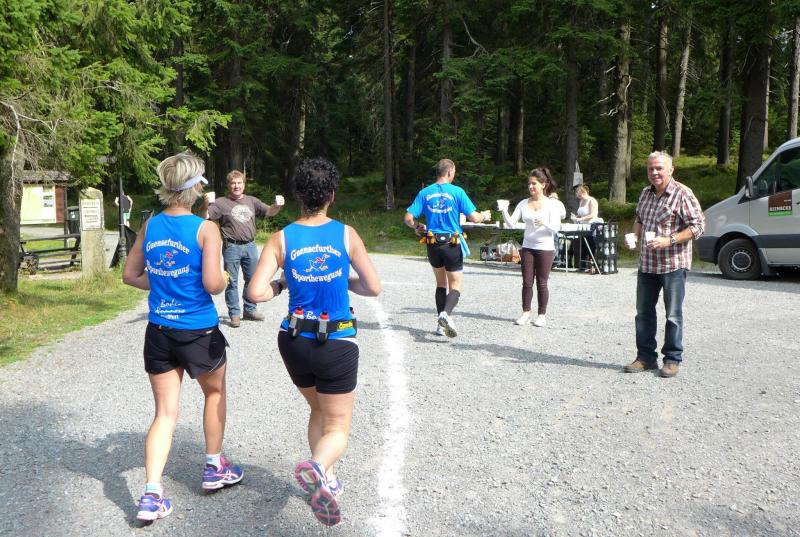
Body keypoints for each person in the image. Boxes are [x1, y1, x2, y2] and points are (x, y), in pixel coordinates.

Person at [248, 157, 381, 527]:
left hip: (293, 340)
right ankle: (319, 466)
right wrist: (344, 281)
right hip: (335, 341)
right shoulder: (346, 234)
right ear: (331, 195)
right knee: (337, 426)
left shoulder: (281, 238)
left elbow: (255, 293)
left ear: (298, 196)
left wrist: (282, 284)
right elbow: (373, 286)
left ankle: (328, 479)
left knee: (318, 409)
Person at [122, 152, 243, 522]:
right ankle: (214, 467)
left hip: (159, 331)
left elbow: (130, 275)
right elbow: (213, 284)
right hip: (198, 331)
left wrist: (164, 283)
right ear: (195, 188)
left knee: (164, 413)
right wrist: (225, 277)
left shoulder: (151, 226)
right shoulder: (205, 229)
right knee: (214, 393)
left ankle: (151, 494)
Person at [624, 151, 704, 378]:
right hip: (647, 264)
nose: (655, 173)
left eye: (659, 168)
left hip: (673, 264)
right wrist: (634, 235)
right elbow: (639, 219)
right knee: (643, 313)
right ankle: (646, 357)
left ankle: (672, 359)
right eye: (651, 169)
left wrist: (669, 240)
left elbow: (698, 226)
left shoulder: (683, 193)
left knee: (673, 315)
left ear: (671, 170)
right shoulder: (645, 193)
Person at [404, 159, 491, 337]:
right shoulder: (457, 192)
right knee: (455, 285)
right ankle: (445, 314)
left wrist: (418, 226)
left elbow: (408, 218)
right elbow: (474, 218)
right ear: (450, 172)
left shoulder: (424, 192)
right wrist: (484, 215)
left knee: (441, 284)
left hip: (433, 244)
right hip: (452, 244)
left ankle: (440, 326)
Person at [200, 170, 284, 327]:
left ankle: (250, 310)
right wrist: (205, 205)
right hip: (231, 246)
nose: (236, 186)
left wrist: (277, 205)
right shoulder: (220, 203)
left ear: (244, 185)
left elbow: (270, 211)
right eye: (233, 183)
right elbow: (204, 217)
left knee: (252, 279)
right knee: (231, 281)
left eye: (239, 183)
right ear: (228, 185)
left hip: (251, 245)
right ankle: (234, 314)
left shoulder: (252, 201)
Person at [499, 168, 562, 327]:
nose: (531, 187)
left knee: (542, 283)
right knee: (527, 282)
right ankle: (525, 313)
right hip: (528, 247)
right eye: (529, 184)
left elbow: (556, 228)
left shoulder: (551, 204)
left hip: (545, 248)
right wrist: (504, 210)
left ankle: (541, 315)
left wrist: (544, 222)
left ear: (543, 184)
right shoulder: (523, 203)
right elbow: (511, 224)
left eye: (534, 183)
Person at [570, 184, 603, 273]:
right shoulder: (581, 201)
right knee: (583, 245)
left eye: (577, 192)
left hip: (592, 225)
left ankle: (593, 265)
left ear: (582, 192)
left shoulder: (592, 200)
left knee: (591, 246)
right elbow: (581, 214)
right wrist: (576, 217)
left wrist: (581, 219)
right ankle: (583, 265)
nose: (576, 194)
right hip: (583, 226)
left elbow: (592, 214)